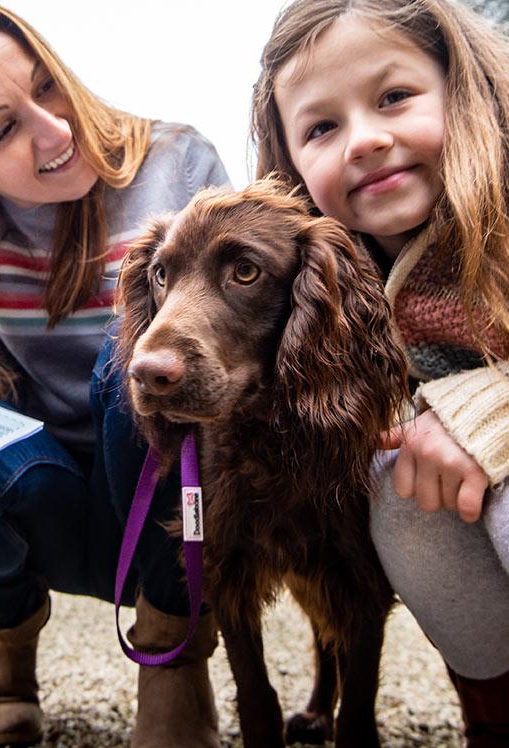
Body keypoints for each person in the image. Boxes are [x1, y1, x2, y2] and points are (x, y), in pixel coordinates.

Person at [0, 1, 229, 746]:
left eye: (47, 87)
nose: (55, 130)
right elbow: (1, 388)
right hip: (48, 491)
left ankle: (171, 651)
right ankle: (5, 626)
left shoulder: (179, 160)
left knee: (135, 353)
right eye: (2, 129)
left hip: (170, 491)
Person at [250, 0, 509, 744]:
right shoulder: (334, 273)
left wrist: (485, 409)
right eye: (321, 128)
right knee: (398, 490)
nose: (364, 139)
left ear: (461, 88)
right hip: (447, 475)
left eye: (393, 97)